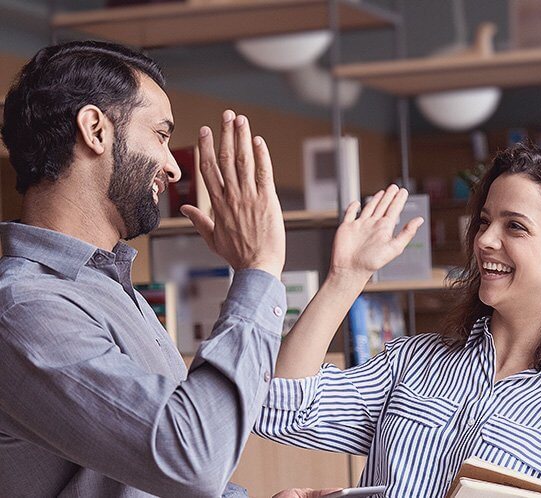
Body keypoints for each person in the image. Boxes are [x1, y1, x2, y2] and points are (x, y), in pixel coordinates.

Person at [0, 40, 417, 498]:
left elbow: (143, 478)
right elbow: (191, 459)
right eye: (160, 135)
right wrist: (258, 268)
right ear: (95, 130)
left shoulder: (112, 290)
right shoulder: (25, 309)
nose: (171, 168)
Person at [255, 143, 541, 497]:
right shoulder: (413, 362)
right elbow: (278, 409)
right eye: (485, 220)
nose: (484, 240)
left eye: (515, 227)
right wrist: (345, 278)